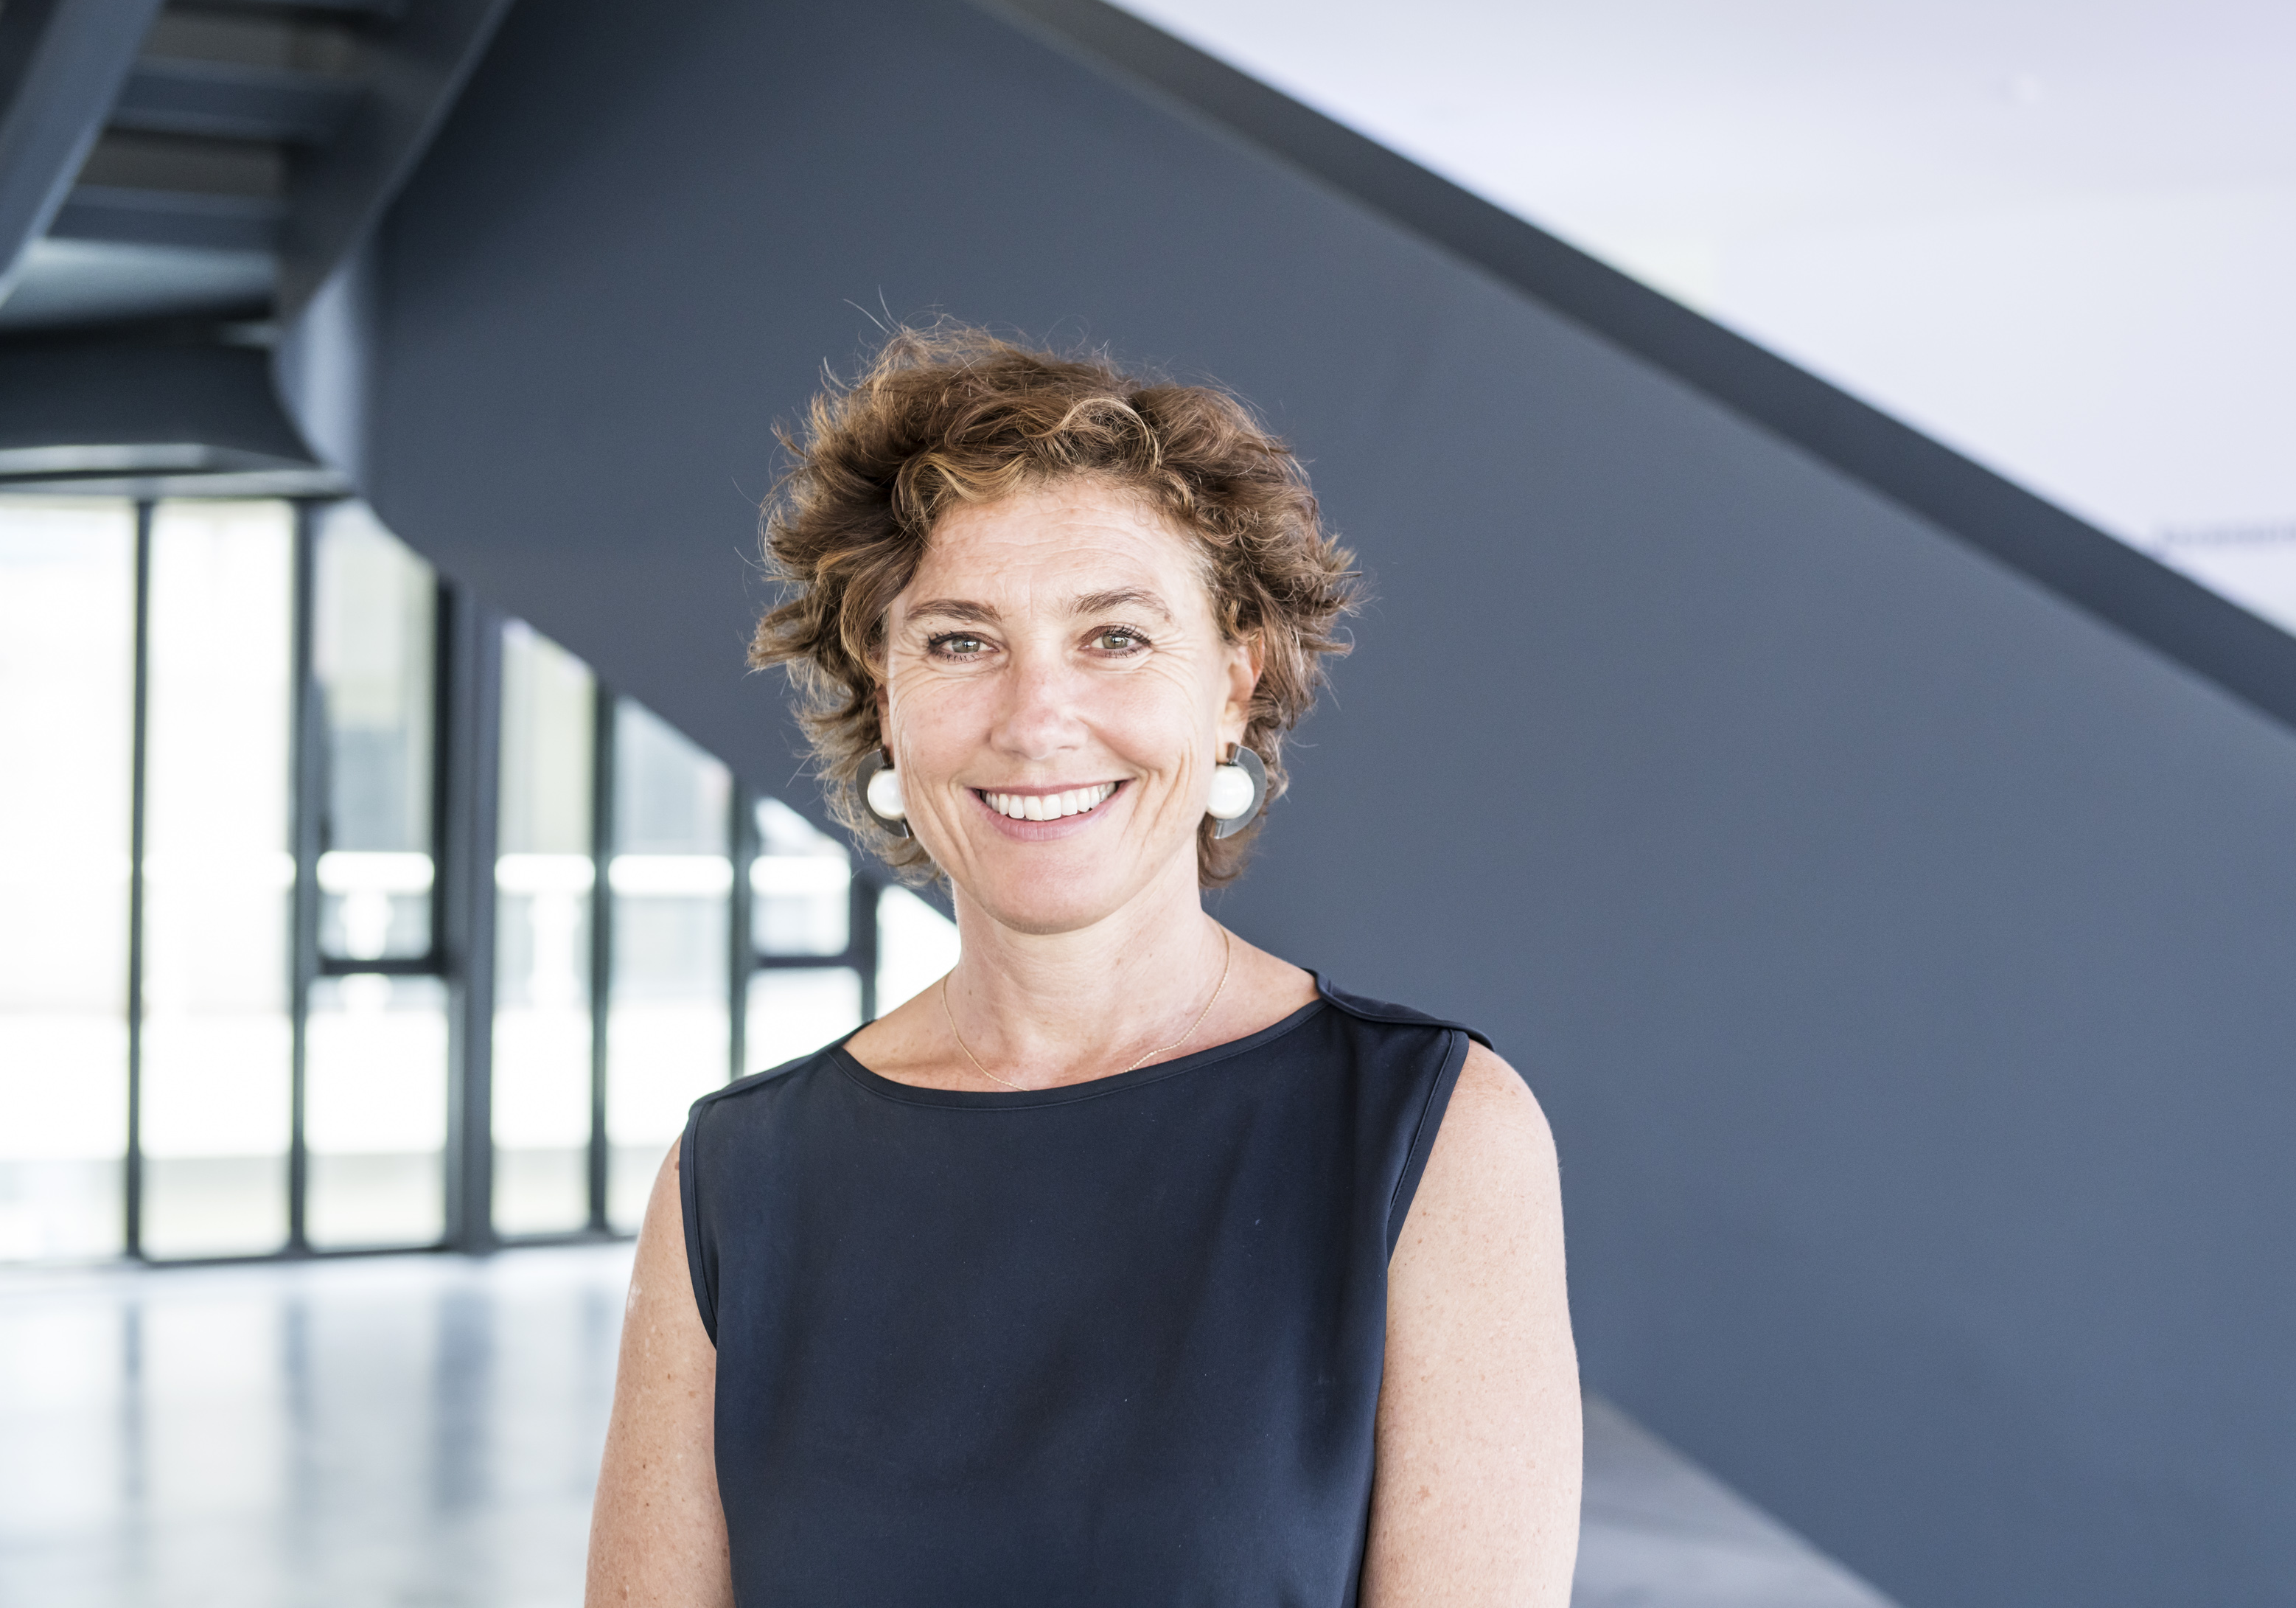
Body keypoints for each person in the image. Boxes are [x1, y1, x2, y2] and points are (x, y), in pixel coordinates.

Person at [587, 328, 1582, 1606]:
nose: (1035, 721)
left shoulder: (1431, 1137)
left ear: (1234, 685)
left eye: (1113, 637)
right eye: (960, 641)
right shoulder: (734, 1178)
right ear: (884, 696)